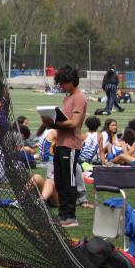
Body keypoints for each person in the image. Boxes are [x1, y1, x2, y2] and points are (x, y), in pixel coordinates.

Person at [39, 65, 86, 228]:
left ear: (72, 81)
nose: (61, 86)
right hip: (60, 144)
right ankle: (62, 215)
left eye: (63, 83)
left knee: (68, 182)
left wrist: (54, 124)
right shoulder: (67, 98)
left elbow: (73, 123)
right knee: (59, 182)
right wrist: (50, 122)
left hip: (70, 145)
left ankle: (70, 217)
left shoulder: (79, 97)